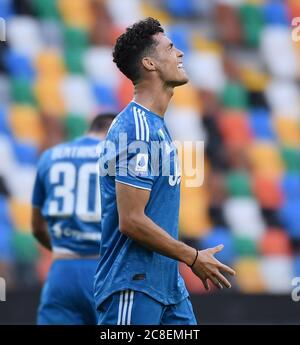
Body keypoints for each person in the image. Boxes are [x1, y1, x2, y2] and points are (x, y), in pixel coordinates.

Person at [94, 17, 235, 325]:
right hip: (132, 285)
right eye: (170, 48)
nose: (180, 53)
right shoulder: (134, 128)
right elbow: (131, 220)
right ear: (149, 63)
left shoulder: (156, 126)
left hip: (168, 288)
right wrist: (192, 256)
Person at [31, 113, 116, 325]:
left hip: (62, 270)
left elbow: (37, 228)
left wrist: (65, 251)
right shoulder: (118, 157)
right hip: (105, 271)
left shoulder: (50, 156)